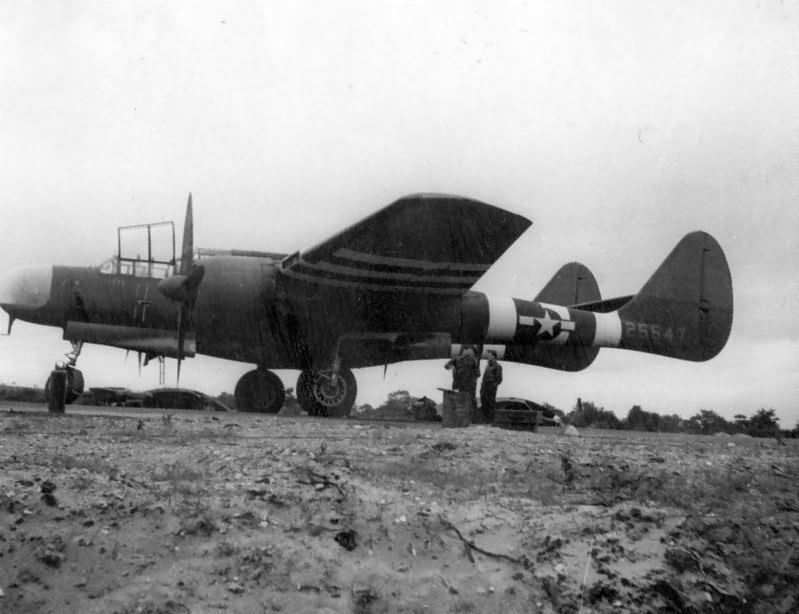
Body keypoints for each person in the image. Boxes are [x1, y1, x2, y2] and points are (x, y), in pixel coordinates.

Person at [445, 345, 481, 417]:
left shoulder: (473, 360)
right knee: (458, 400)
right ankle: (457, 417)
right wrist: (452, 368)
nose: (470, 352)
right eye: (468, 350)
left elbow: (478, 373)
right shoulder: (456, 359)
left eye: (471, 351)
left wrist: (473, 380)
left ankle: (472, 417)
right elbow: (446, 366)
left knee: (470, 400)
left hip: (469, 385)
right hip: (459, 384)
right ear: (464, 351)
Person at [479, 349, 503, 424]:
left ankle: (491, 420)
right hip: (484, 387)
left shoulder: (497, 366)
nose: (488, 356)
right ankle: (486, 420)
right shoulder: (487, 366)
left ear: (494, 356)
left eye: (489, 355)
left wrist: (493, 386)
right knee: (484, 402)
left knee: (490, 403)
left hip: (490, 387)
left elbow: (499, 379)